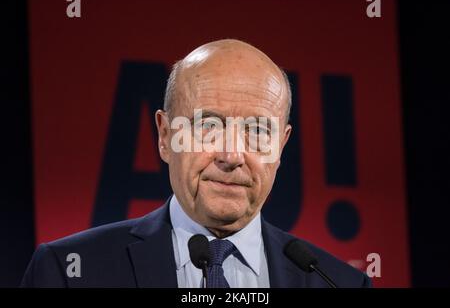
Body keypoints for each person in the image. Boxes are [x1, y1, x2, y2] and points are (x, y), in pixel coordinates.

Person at [21, 39, 371, 288]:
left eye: (257, 130)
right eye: (208, 126)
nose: (232, 156)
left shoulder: (338, 283)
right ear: (164, 136)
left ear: (281, 146)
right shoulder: (69, 273)